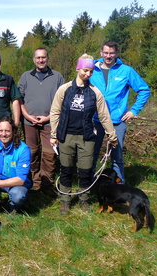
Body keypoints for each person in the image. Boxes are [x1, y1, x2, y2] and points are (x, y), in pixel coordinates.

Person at [50, 54, 118, 215]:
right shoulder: (64, 89)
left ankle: (84, 199)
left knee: (85, 170)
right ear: (78, 68)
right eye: (85, 70)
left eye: (91, 72)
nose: (88, 74)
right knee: (66, 170)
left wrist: (112, 135)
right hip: (66, 136)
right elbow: (54, 112)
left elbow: (104, 116)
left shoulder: (95, 92)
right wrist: (54, 134)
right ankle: (65, 200)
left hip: (87, 137)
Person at [91, 41, 150, 184]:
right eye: (105, 53)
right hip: (95, 120)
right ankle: (89, 186)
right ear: (101, 53)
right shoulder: (92, 69)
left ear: (116, 54)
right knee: (91, 154)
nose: (108, 56)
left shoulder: (126, 70)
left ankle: (119, 187)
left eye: (111, 53)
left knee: (117, 156)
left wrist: (134, 110)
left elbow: (144, 90)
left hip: (117, 120)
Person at [18, 48, 64, 192]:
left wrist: (49, 117)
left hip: (50, 122)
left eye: (43, 57)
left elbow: (63, 101)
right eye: (38, 58)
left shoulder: (57, 77)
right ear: (33, 60)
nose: (41, 60)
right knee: (31, 153)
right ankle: (34, 181)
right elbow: (18, 99)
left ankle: (48, 184)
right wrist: (26, 116)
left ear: (48, 58)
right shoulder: (25, 76)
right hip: (29, 122)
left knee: (49, 154)